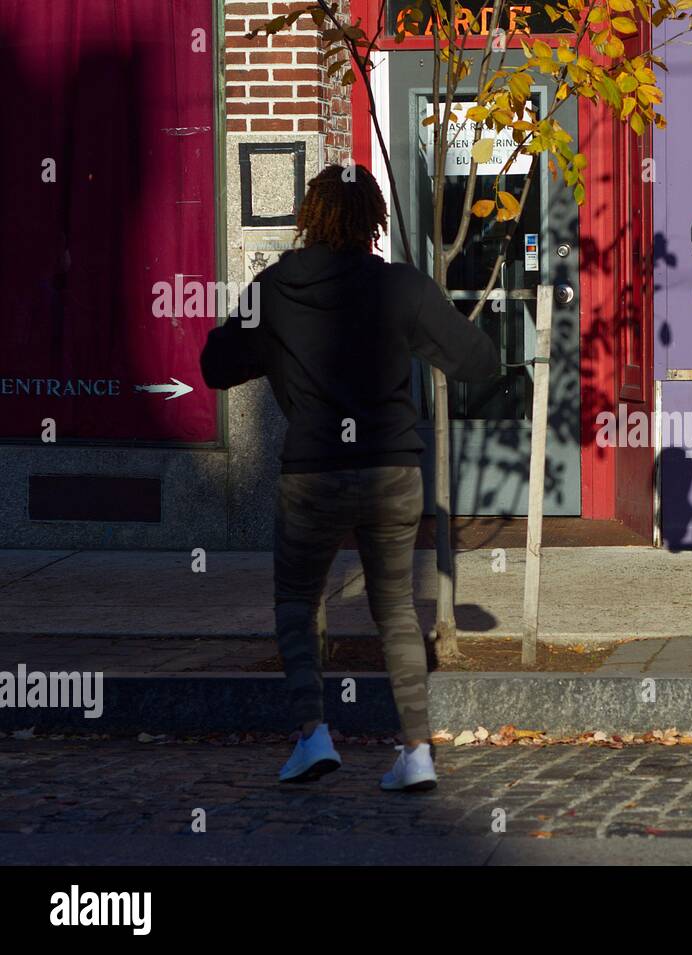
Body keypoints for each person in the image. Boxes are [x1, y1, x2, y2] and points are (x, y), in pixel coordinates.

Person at [200, 163, 498, 790]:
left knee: (295, 601)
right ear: (372, 222)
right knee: (394, 609)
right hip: (392, 468)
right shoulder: (402, 288)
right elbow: (477, 362)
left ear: (310, 218)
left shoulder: (275, 289)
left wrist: (276, 351)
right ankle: (415, 752)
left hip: (313, 471)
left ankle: (312, 736)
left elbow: (216, 365)